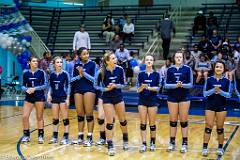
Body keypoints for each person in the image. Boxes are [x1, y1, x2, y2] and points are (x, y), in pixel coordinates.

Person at [94, 52, 129, 156]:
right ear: (107, 61)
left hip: (118, 97)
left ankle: (125, 139)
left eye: (115, 58)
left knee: (122, 120)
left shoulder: (120, 69)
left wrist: (116, 86)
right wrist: (105, 89)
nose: (115, 59)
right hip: (107, 98)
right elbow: (95, 86)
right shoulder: (101, 71)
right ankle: (110, 145)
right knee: (109, 122)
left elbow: (124, 84)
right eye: (113, 58)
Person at [164, 50, 193, 153]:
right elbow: (166, 85)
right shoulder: (169, 70)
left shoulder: (187, 69)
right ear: (174, 58)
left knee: (184, 121)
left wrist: (182, 85)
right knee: (173, 121)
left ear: (183, 58)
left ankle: (185, 143)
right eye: (177, 57)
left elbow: (190, 85)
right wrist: (175, 86)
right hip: (172, 97)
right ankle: (172, 142)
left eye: (180, 57)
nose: (179, 59)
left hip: (184, 97)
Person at [202, 61, 232, 156]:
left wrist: (220, 91)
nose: (218, 68)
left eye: (221, 67)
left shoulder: (227, 81)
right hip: (210, 105)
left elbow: (229, 95)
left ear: (223, 69)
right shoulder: (209, 80)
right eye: (217, 67)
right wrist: (213, 90)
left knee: (220, 128)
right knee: (208, 126)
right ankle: (205, 147)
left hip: (221, 106)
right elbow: (205, 94)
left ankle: (220, 147)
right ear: (214, 68)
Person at [71, 48, 96, 147]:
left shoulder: (92, 64)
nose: (86, 55)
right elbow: (72, 79)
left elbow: (94, 79)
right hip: (78, 90)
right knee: (80, 114)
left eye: (87, 53)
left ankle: (89, 137)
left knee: (89, 114)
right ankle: (80, 137)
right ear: (80, 56)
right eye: (84, 54)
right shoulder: (76, 65)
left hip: (89, 89)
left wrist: (83, 73)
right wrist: (79, 76)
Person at [137, 54, 161, 152]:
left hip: (152, 101)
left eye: (151, 60)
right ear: (145, 62)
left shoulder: (157, 74)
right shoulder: (140, 74)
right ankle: (143, 143)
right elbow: (137, 90)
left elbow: (158, 88)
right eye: (147, 60)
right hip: (142, 101)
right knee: (143, 124)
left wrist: (148, 87)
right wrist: (142, 87)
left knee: (152, 124)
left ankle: (152, 143)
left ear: (153, 62)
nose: (149, 61)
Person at [21, 56, 48, 143]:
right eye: (34, 61)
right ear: (29, 63)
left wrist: (35, 88)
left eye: (37, 61)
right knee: (25, 116)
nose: (36, 62)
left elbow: (45, 85)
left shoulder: (41, 72)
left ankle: (40, 136)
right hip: (29, 97)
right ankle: (26, 135)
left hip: (39, 97)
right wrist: (27, 89)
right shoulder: (25, 73)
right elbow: (22, 86)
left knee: (39, 117)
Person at [47, 56, 71, 145]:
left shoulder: (65, 74)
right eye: (57, 62)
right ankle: (55, 136)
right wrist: (49, 94)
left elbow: (68, 86)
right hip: (54, 97)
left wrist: (68, 98)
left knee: (65, 118)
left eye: (61, 62)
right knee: (55, 118)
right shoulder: (52, 74)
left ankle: (66, 136)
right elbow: (50, 86)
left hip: (63, 97)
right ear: (54, 64)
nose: (59, 64)